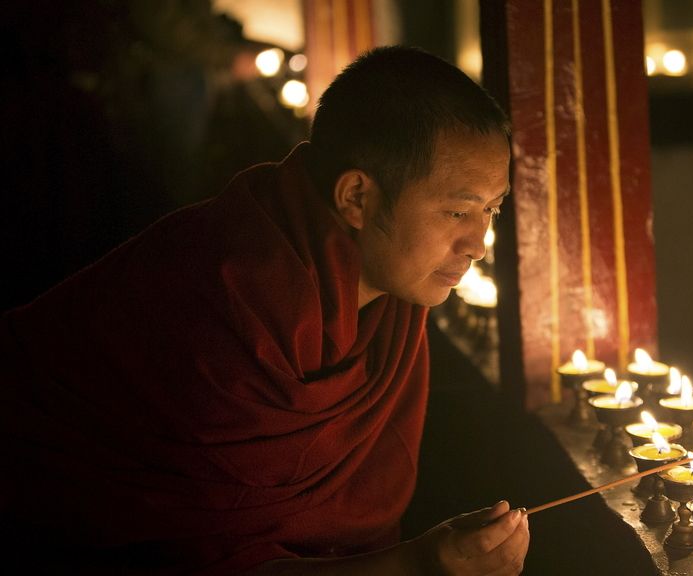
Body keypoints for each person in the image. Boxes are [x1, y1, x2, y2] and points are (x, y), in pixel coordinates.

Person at [1, 45, 528, 575]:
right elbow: (205, 561)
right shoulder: (230, 301)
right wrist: (415, 566)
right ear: (357, 198)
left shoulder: (387, 289)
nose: (478, 243)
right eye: (458, 211)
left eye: (491, 209)